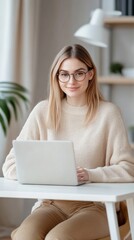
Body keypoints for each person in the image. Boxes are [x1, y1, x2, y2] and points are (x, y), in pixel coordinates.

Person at [2, 44, 134, 240]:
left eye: (79, 73)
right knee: (24, 236)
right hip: (51, 205)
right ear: (56, 77)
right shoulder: (43, 111)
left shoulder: (108, 113)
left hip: (96, 207)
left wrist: (89, 174)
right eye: (64, 74)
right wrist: (45, 173)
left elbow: (129, 168)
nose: (71, 81)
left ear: (90, 74)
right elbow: (10, 166)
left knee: (58, 238)